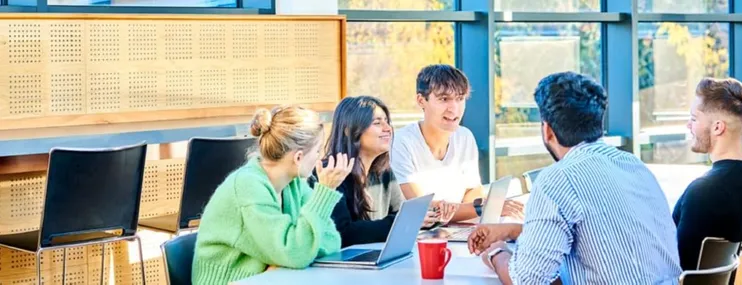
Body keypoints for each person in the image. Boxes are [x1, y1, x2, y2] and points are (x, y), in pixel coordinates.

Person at [468, 72, 682, 284]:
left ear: (548, 130)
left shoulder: (558, 179)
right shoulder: (632, 164)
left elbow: (527, 280)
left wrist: (497, 253)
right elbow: (605, 241)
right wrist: (512, 231)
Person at [191, 106, 354, 284]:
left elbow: (331, 242)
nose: (319, 157)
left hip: (271, 279)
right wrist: (324, 193)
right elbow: (297, 253)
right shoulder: (248, 187)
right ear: (298, 157)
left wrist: (288, 259)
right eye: (317, 150)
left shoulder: (295, 184)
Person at [390, 64, 524, 223]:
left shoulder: (464, 136)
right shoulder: (401, 141)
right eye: (444, 99)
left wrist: (483, 205)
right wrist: (483, 207)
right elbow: (422, 208)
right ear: (421, 100)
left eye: (460, 99)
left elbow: (472, 192)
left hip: (455, 230)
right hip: (419, 237)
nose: (453, 109)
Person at [308, 96, 438, 247]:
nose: (388, 128)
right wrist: (403, 221)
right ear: (350, 131)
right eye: (377, 123)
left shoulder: (385, 174)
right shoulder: (329, 174)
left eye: (387, 122)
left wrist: (431, 217)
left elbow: (398, 215)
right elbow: (343, 234)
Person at [674, 77, 742, 270]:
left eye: (694, 119)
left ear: (717, 127)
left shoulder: (703, 191)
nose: (689, 126)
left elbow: (676, 266)